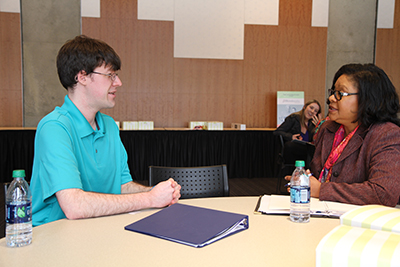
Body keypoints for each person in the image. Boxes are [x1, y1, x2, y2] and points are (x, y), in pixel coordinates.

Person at [30, 35, 181, 226]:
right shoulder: (54, 128)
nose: (118, 82)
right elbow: (75, 206)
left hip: (97, 229)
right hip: (54, 238)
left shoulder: (109, 125)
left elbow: (122, 186)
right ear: (82, 76)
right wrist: (150, 199)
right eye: (110, 75)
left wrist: (157, 193)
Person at [286, 63, 400, 207]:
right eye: (333, 92)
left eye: (341, 93)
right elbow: (318, 175)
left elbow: (383, 193)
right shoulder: (327, 129)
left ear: (367, 99)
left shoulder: (386, 134)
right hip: (321, 212)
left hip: (359, 223)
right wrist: (304, 181)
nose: (332, 98)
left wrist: (321, 190)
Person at [274, 99, 322, 168]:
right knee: (290, 145)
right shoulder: (293, 118)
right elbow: (277, 132)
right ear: (304, 107)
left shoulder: (314, 125)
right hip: (293, 153)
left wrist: (319, 127)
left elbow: (319, 141)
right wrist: (291, 137)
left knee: (312, 150)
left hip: (308, 154)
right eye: (311, 108)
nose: (312, 111)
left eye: (315, 111)